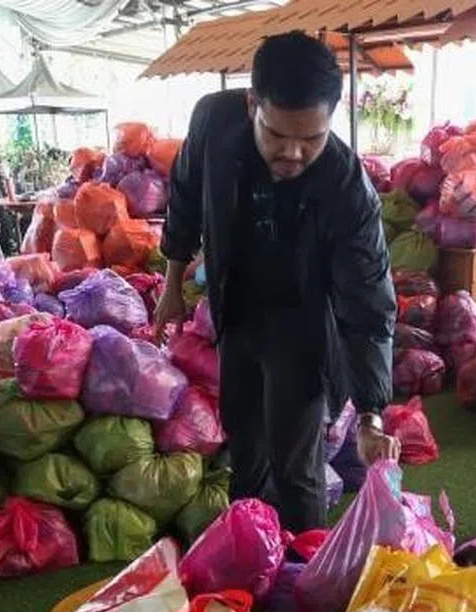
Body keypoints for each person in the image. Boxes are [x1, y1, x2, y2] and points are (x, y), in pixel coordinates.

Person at [153, 32, 400, 533]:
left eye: (312, 139)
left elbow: (369, 303)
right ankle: (252, 551)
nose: (293, 153)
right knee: (246, 450)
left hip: (302, 324)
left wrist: (371, 413)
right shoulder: (213, 122)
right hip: (236, 309)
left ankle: (304, 562)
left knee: (294, 463)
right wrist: (172, 284)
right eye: (278, 134)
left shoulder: (346, 189)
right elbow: (185, 194)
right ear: (252, 105)